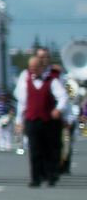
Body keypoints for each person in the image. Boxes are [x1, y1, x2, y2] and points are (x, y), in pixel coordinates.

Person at [15, 50, 68, 187]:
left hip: (48, 121)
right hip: (32, 120)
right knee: (34, 150)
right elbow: (22, 102)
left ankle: (51, 176)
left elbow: (63, 97)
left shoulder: (52, 80)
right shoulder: (25, 81)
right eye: (30, 67)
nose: (32, 70)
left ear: (41, 67)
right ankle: (35, 178)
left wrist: (58, 109)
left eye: (35, 67)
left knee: (49, 149)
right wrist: (19, 121)